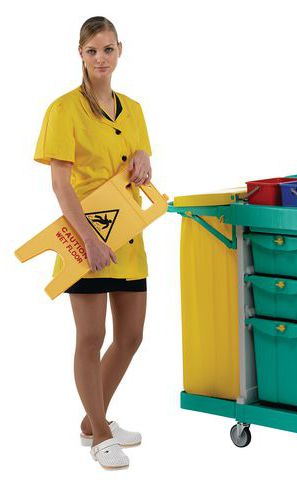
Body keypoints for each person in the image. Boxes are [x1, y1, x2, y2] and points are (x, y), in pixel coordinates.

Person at [34, 16, 152, 470]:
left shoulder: (134, 109)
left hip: (128, 238)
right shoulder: (63, 110)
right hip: (85, 240)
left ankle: (92, 420)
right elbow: (61, 185)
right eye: (92, 51)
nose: (100, 58)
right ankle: (100, 435)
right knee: (91, 336)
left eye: (108, 49)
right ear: (80, 54)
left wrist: (142, 156)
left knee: (131, 336)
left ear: (120, 50)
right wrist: (89, 240)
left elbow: (138, 168)